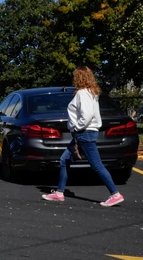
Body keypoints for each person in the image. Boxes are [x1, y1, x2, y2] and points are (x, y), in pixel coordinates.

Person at [42, 66, 124, 207]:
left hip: (84, 133)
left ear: (78, 78)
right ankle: (59, 193)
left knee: (96, 165)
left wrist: (77, 128)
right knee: (64, 159)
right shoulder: (91, 93)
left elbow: (86, 115)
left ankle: (115, 194)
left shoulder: (82, 93)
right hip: (86, 132)